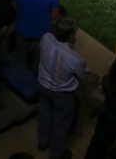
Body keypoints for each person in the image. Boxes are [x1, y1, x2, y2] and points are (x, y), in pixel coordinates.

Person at [36, 16, 90, 159]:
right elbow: (85, 76)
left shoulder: (45, 38)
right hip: (62, 95)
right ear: (71, 35)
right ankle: (55, 154)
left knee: (45, 114)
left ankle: (43, 141)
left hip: (42, 86)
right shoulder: (75, 59)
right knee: (61, 125)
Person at [11, 0, 60, 72]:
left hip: (22, 29)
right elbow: (55, 14)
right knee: (39, 64)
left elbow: (13, 4)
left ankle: (20, 84)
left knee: (20, 59)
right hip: (42, 33)